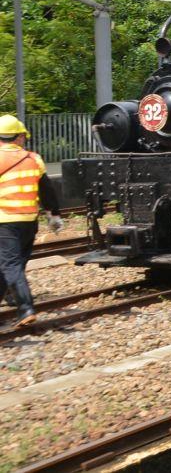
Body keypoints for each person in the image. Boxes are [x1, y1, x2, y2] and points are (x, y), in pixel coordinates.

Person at [0, 115, 63, 326]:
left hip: (5, 221)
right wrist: (54, 214)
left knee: (10, 264)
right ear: (18, 137)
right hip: (29, 222)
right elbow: (47, 190)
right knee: (10, 265)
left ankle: (26, 309)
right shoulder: (34, 159)